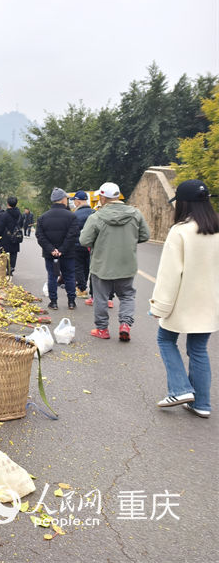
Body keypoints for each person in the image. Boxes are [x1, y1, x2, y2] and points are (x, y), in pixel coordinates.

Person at [151, 179, 219, 418]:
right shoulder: (217, 228)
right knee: (198, 349)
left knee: (165, 339)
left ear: (183, 203)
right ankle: (201, 403)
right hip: (210, 303)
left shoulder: (180, 231)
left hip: (182, 301)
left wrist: (159, 306)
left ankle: (180, 389)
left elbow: (169, 274)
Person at [79, 181, 149, 341]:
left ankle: (102, 329)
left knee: (101, 298)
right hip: (126, 264)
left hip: (101, 266)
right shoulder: (135, 214)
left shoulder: (96, 217)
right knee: (127, 296)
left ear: (103, 198)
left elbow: (84, 240)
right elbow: (145, 235)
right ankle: (125, 324)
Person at [36, 187, 80, 310]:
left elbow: (40, 236)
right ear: (62, 200)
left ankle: (53, 302)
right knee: (70, 276)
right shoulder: (71, 216)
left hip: (50, 254)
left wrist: (51, 249)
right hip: (68, 252)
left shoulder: (43, 217)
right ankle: (71, 302)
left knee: (52, 276)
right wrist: (62, 249)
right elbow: (73, 235)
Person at [72, 190, 95, 298]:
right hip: (92, 246)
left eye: (74, 201)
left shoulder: (75, 215)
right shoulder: (94, 213)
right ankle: (92, 290)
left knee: (78, 267)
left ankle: (81, 288)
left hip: (77, 244)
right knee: (88, 267)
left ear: (77, 201)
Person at [4, 196, 22, 274]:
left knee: (5, 253)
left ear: (7, 203)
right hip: (16, 235)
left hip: (6, 236)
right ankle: (11, 267)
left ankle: (7, 267)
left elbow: (3, 225)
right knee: (14, 253)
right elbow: (21, 224)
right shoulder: (19, 213)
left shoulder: (5, 213)